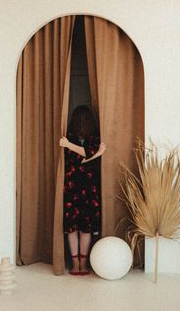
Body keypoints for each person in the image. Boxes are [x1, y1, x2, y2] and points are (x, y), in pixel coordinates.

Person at [59, 105, 106, 276]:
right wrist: (97, 154)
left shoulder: (92, 138)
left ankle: (83, 263)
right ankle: (76, 262)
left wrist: (70, 146)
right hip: (73, 187)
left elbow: (86, 155)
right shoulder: (69, 137)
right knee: (73, 227)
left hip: (87, 188)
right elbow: (81, 158)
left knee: (85, 227)